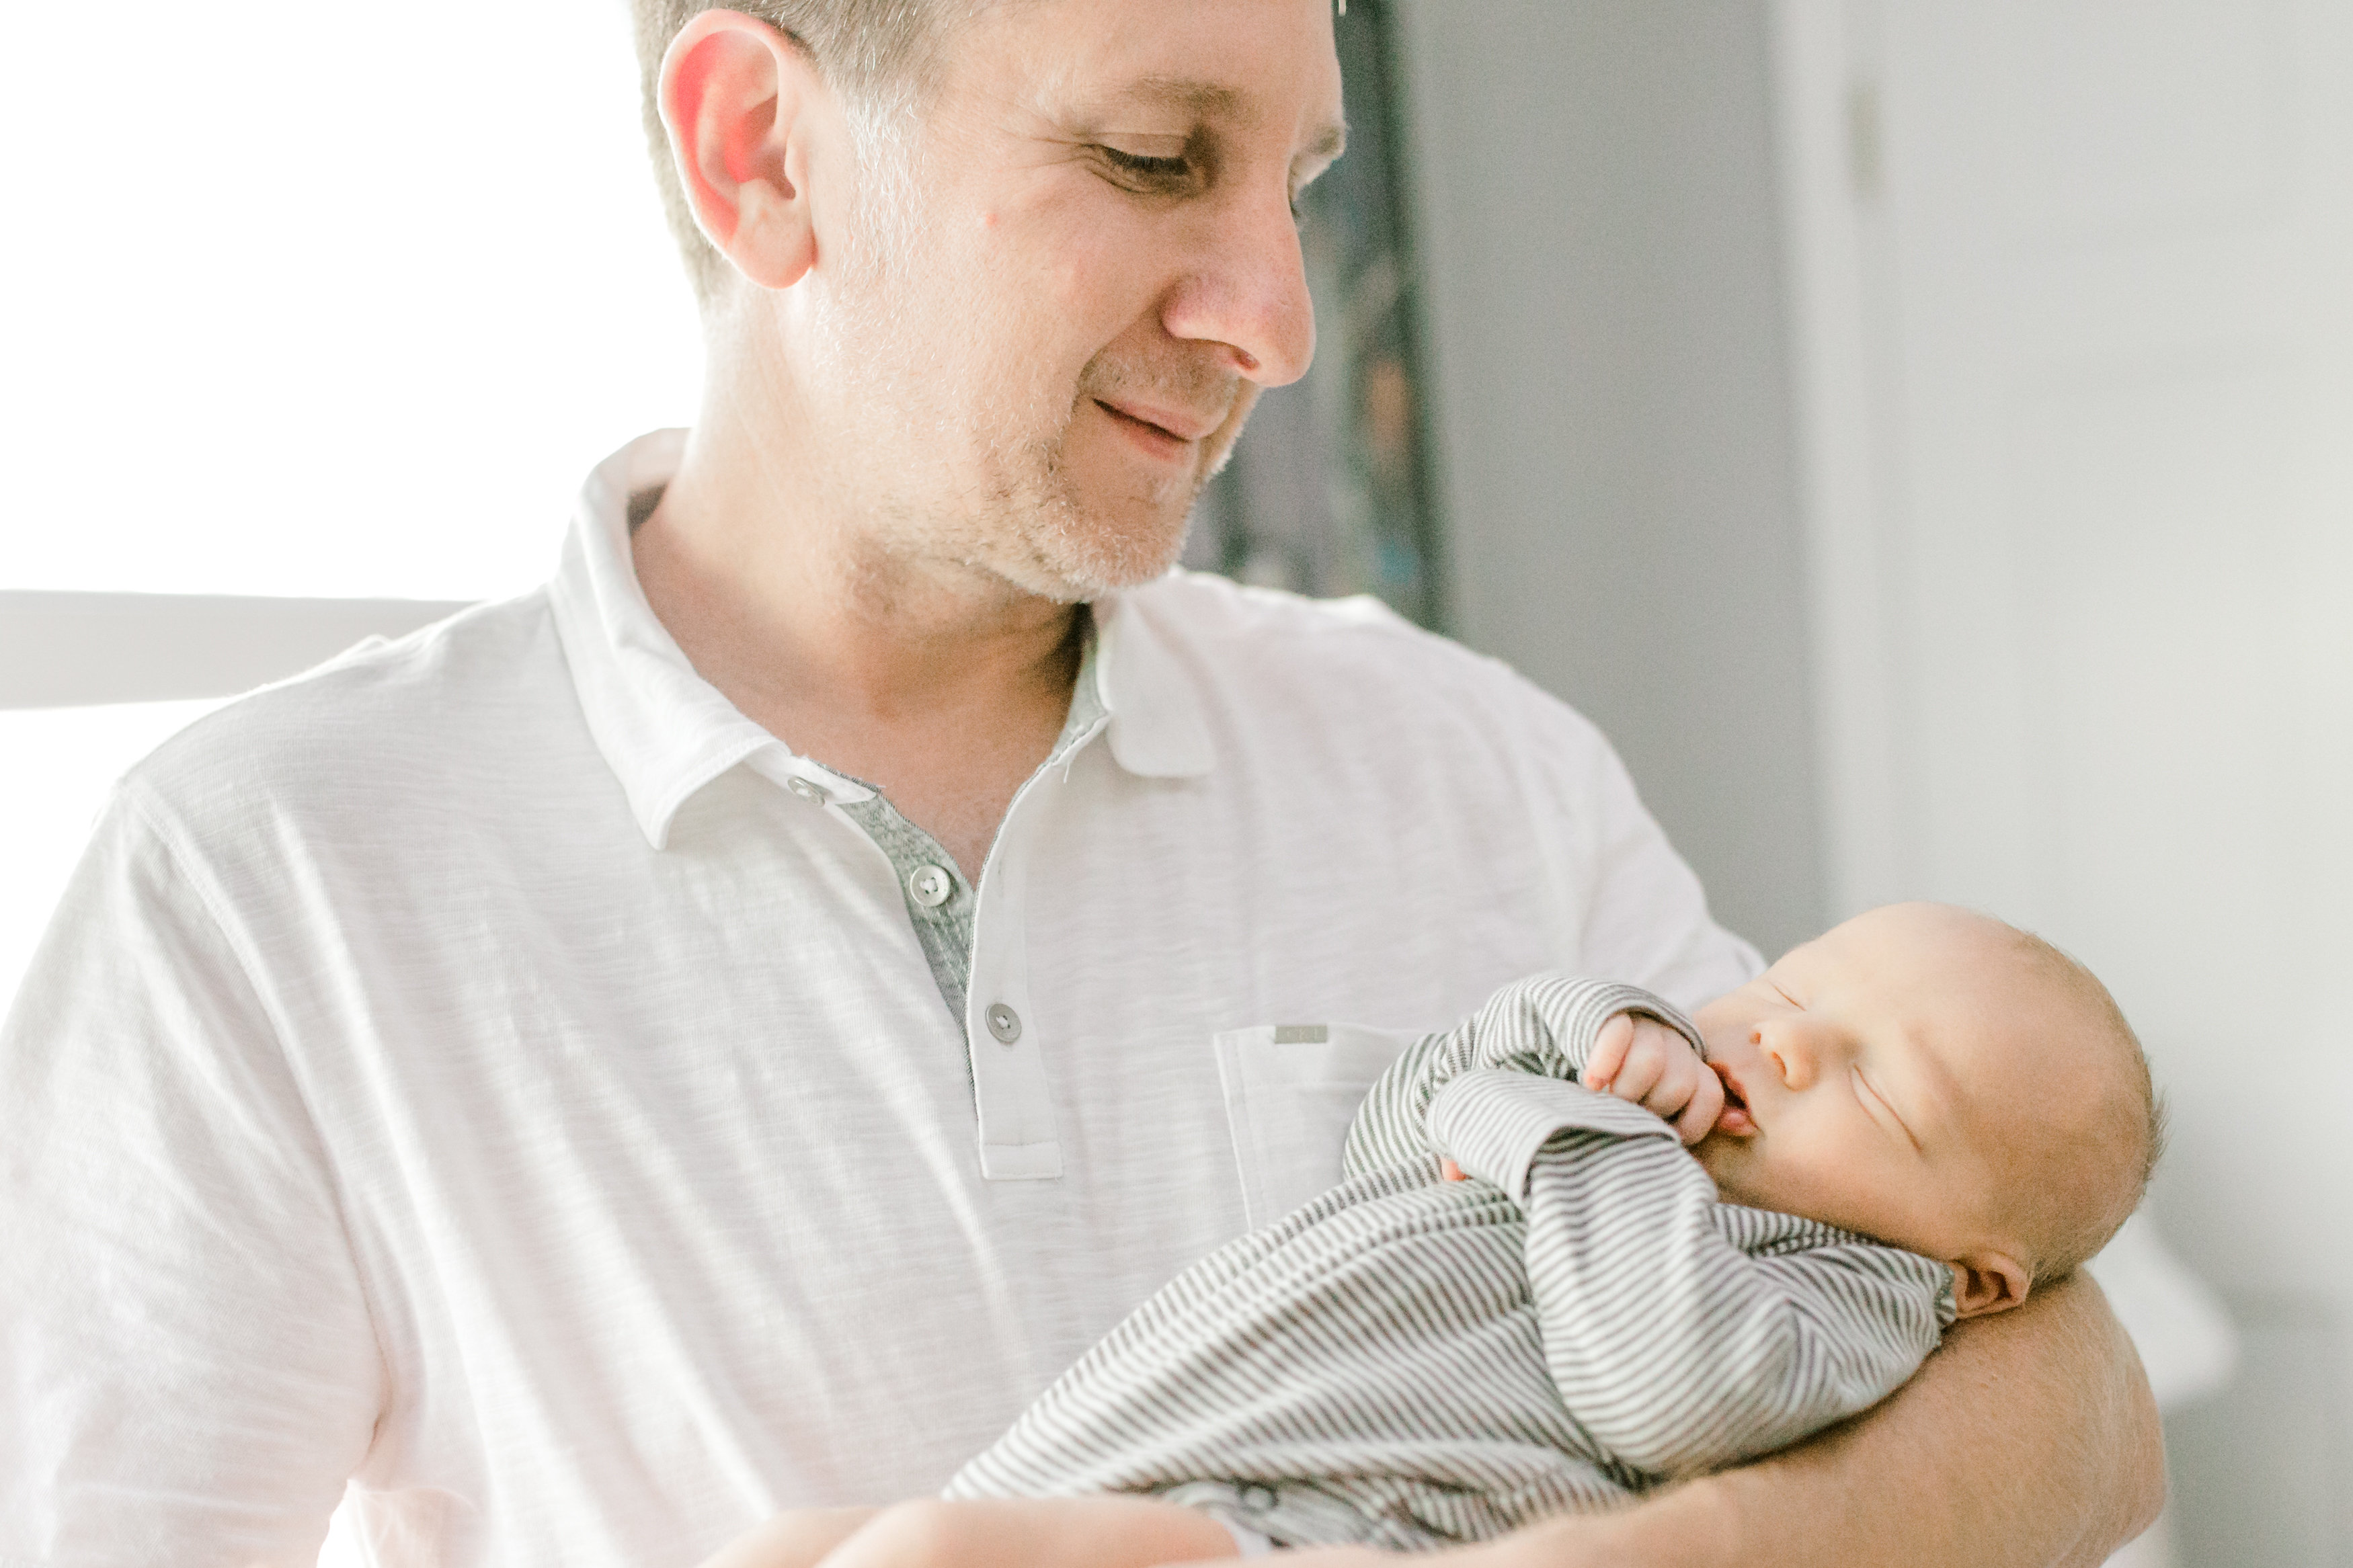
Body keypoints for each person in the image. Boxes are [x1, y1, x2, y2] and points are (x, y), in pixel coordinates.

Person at [0, 3, 2159, 1565]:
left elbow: (2073, 1398)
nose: (1281, 325)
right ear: (760, 152)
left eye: (1298, 184)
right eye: (1152, 158)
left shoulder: (1468, 757)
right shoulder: (261, 882)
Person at [692, 903, 2163, 1567]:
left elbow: (1671, 1388)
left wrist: (1577, 1128)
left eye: (1885, 1093)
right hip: (1125, 1450)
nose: (1787, 1046)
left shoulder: (1856, 1291)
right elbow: (1406, 1133)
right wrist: (1583, 1028)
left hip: (1317, 1527)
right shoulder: (1640, 1109)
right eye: (1789, 987)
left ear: (1978, 1278)